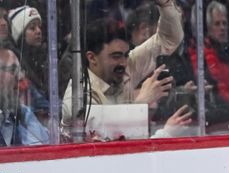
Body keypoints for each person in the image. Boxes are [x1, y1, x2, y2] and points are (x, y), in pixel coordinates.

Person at [61, 1, 184, 136]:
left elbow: (168, 39)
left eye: (126, 55)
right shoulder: (77, 97)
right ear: (92, 58)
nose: (124, 63)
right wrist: (142, 102)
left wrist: (166, 5)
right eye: (116, 56)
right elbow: (109, 143)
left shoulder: (124, 66)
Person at [0, 46, 48, 145]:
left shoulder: (23, 113)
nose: (20, 77)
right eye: (13, 70)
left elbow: (45, 148)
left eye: (20, 70)